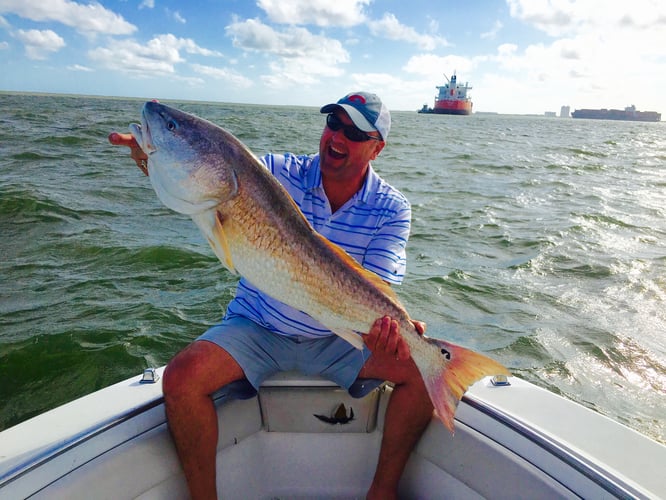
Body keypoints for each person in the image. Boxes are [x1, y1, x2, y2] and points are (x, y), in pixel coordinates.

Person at [110, 91, 433, 500]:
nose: (338, 135)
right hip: (260, 325)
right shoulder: (274, 171)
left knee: (428, 367)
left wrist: (393, 326)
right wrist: (155, 159)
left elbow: (377, 282)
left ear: (377, 148)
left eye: (355, 131)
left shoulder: (392, 208)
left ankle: (382, 492)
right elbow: (200, 176)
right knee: (181, 379)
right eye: (334, 123)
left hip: (338, 336)